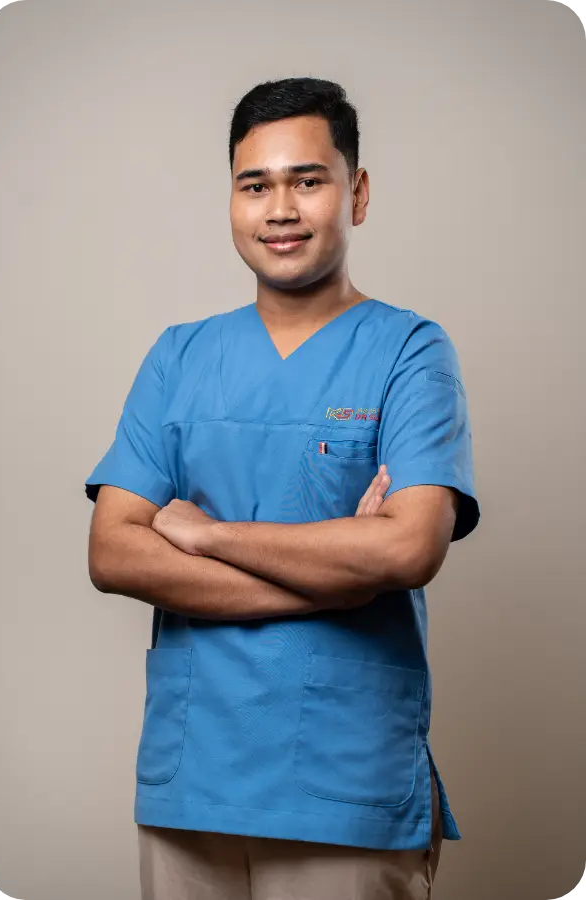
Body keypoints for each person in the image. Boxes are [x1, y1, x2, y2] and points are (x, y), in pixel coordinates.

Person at [85, 76, 480, 900]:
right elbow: (114, 554)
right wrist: (340, 576)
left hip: (346, 785)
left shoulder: (409, 352)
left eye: (308, 180)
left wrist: (210, 534)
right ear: (231, 200)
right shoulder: (179, 356)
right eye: (255, 185)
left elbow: (409, 547)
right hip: (192, 780)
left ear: (356, 193)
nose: (281, 210)